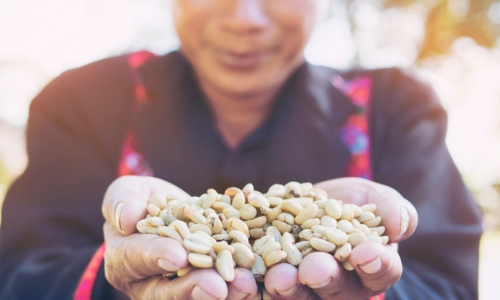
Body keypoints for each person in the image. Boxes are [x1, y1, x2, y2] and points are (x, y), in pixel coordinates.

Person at [0, 1, 482, 299]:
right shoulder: (84, 100)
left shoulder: (396, 107)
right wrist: (119, 280)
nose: (244, 18)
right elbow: (19, 277)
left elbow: (448, 287)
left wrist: (359, 284)